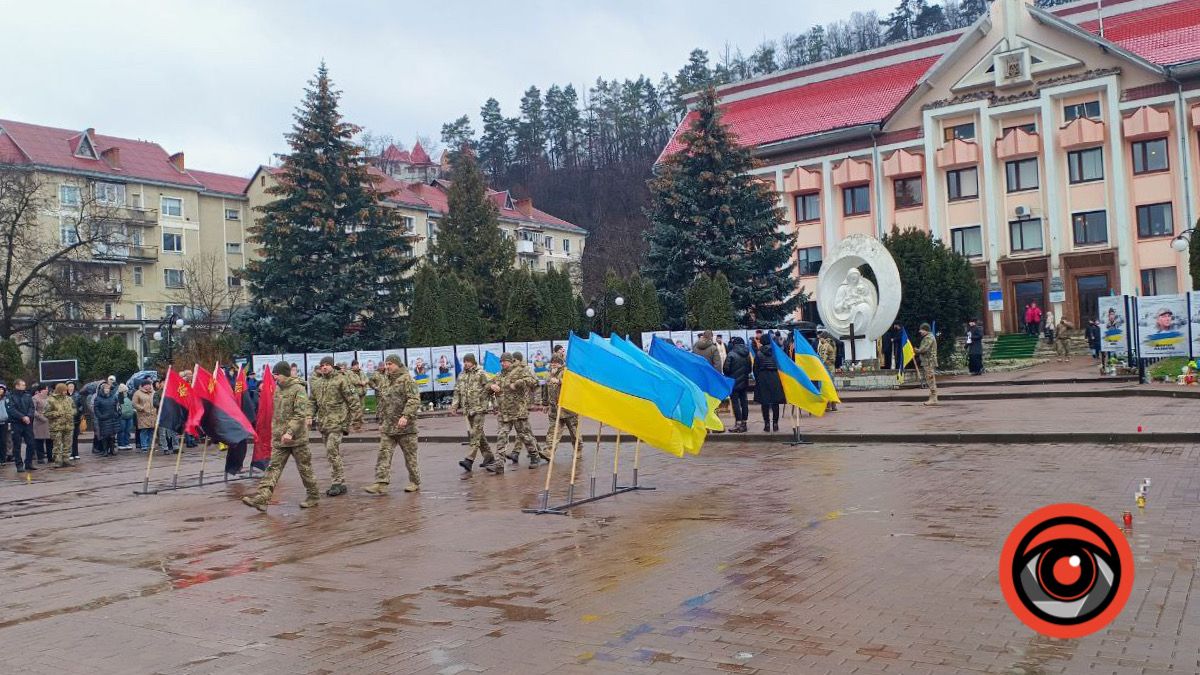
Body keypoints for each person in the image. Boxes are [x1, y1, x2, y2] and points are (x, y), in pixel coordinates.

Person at [243, 362, 319, 512]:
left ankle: (313, 496)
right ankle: (262, 498)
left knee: (305, 469)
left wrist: (290, 432)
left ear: (285, 374)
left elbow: (299, 414)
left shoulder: (299, 389)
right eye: (274, 375)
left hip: (297, 439)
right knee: (273, 468)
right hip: (280, 438)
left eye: (277, 375)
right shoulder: (278, 388)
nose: (275, 378)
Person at [365, 354, 421, 494]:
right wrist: (381, 420)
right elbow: (383, 403)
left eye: (390, 364)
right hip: (388, 427)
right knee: (383, 453)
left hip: (406, 427)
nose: (387, 366)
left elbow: (414, 399)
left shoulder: (407, 379)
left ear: (397, 364)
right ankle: (381, 483)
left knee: (410, 457)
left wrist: (406, 416)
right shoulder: (385, 380)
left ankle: (414, 482)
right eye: (386, 364)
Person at [310, 355, 362, 497]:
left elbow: (353, 400)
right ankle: (341, 482)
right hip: (324, 424)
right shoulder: (317, 383)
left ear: (332, 366)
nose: (324, 367)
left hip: (339, 422)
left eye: (327, 364)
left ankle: (337, 482)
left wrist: (357, 420)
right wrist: (309, 416)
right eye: (322, 365)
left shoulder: (341, 380)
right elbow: (313, 402)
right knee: (331, 453)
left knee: (331, 449)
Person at [491, 353, 542, 467]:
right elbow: (490, 385)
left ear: (511, 361)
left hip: (518, 411)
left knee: (524, 435)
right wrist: (492, 387)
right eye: (501, 361)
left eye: (505, 361)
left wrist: (518, 383)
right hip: (505, 412)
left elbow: (534, 381)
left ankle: (534, 456)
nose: (502, 363)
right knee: (502, 436)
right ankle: (499, 464)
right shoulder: (499, 375)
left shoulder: (520, 371)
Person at [452, 353, 498, 473]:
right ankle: (489, 457)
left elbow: (490, 388)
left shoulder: (481, 373)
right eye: (465, 361)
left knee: (475, 434)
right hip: (468, 409)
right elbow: (457, 391)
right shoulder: (461, 375)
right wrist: (454, 406)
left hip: (479, 408)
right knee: (479, 434)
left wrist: (495, 405)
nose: (466, 363)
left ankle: (469, 460)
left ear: (473, 362)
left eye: (468, 361)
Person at [543, 351, 580, 458]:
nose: (554, 364)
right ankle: (549, 452)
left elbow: (573, 384)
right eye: (552, 362)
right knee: (553, 431)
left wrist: (559, 381)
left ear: (561, 363)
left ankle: (578, 449)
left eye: (556, 362)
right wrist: (545, 404)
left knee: (574, 432)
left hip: (568, 409)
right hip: (554, 410)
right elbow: (545, 390)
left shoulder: (567, 372)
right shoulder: (549, 374)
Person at [752, 340, 785, 432]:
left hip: (763, 377)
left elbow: (755, 368)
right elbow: (781, 366)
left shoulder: (759, 354)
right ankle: (775, 424)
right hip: (775, 377)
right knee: (775, 402)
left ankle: (766, 424)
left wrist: (758, 378)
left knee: (764, 402)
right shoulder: (776, 353)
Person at [722, 337, 751, 433]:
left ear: (734, 344)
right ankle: (744, 423)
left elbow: (726, 369)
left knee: (735, 403)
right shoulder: (747, 354)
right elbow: (749, 369)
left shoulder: (731, 354)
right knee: (744, 402)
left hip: (733, 382)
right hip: (744, 381)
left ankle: (738, 423)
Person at [45, 383, 76, 468]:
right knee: (57, 445)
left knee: (68, 444)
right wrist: (56, 413)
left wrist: (72, 413)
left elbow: (74, 408)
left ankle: (66, 460)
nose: (66, 392)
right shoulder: (51, 400)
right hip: (56, 426)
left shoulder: (69, 399)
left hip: (68, 425)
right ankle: (57, 461)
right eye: (64, 390)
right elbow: (46, 413)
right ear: (59, 390)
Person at [7, 380, 35, 471]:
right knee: (17, 445)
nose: (25, 386)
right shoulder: (10, 396)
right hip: (16, 423)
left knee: (31, 443)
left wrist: (28, 416)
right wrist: (22, 417)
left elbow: (32, 407)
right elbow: (11, 409)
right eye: (23, 385)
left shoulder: (27, 395)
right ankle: (19, 465)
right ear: (17, 386)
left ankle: (28, 463)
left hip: (27, 423)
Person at [92, 382, 121, 456]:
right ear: (102, 389)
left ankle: (112, 450)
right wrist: (100, 416)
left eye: (108, 388)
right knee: (104, 436)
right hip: (104, 420)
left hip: (113, 419)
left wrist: (117, 414)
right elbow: (96, 408)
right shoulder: (98, 398)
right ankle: (105, 451)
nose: (107, 390)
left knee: (112, 436)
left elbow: (118, 406)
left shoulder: (114, 397)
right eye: (105, 388)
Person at [917, 323, 939, 406]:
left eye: (921, 330)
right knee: (929, 379)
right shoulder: (929, 337)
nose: (920, 332)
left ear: (926, 330)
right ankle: (932, 397)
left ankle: (933, 399)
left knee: (930, 379)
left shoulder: (929, 337)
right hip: (927, 361)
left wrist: (917, 350)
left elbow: (924, 349)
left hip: (929, 361)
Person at [817, 332, 839, 411]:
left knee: (827, 386)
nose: (819, 340)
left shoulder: (826, 345)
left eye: (820, 338)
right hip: (830, 367)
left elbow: (824, 357)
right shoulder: (830, 344)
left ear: (824, 338)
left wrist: (819, 364)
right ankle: (833, 404)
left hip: (827, 367)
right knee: (830, 385)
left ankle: (829, 405)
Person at [132, 380, 156, 452]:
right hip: (143, 415)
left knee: (152, 431)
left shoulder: (154, 392)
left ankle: (151, 446)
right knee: (144, 431)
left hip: (153, 415)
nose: (148, 386)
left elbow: (156, 401)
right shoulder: (137, 393)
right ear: (143, 386)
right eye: (146, 385)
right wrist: (141, 408)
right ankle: (144, 446)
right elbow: (134, 403)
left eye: (149, 384)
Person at [32, 384, 50, 464]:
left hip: (49, 422)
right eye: (46, 389)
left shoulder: (49, 398)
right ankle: (40, 458)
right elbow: (33, 410)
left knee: (50, 440)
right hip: (39, 423)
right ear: (41, 390)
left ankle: (51, 457)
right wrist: (41, 417)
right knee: (39, 441)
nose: (47, 390)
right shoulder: (35, 398)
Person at [116, 383, 134, 450]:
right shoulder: (118, 397)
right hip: (122, 417)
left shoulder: (129, 396)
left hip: (130, 416)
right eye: (124, 390)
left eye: (126, 390)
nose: (126, 392)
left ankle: (127, 443)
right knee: (121, 430)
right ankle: (121, 444)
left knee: (128, 430)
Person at [68, 381, 82, 459]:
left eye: (72, 386)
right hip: (68, 419)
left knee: (75, 437)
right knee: (69, 437)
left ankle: (75, 453)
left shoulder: (78, 395)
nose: (71, 387)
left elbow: (81, 406)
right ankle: (69, 453)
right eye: (69, 386)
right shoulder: (65, 395)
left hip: (76, 419)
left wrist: (78, 411)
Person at [0, 383, 9, 467]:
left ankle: (3, 459)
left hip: (4, 423)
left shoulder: (6, 399)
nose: (1, 391)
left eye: (2, 389)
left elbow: (9, 410)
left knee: (3, 441)